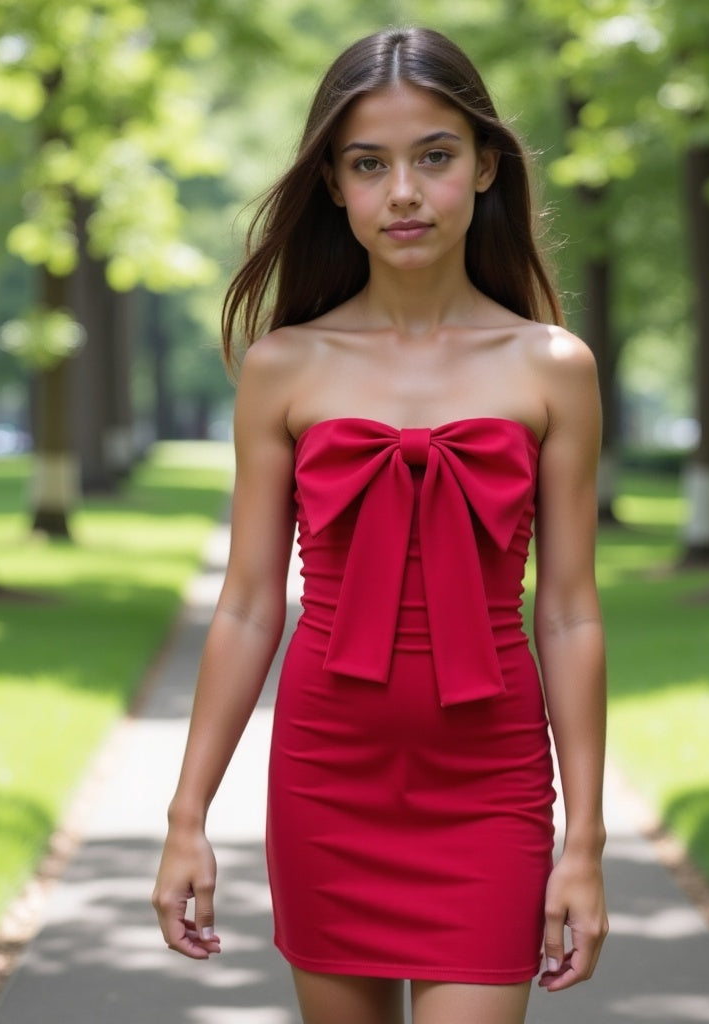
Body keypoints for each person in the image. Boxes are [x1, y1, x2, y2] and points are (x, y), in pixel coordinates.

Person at [152, 26, 608, 1024]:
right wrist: (187, 815)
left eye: (433, 156)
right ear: (333, 184)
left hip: (489, 781)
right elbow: (244, 607)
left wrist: (586, 839)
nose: (402, 191)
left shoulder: (552, 368)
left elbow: (570, 612)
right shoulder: (283, 367)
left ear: (486, 166)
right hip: (327, 777)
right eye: (369, 164)